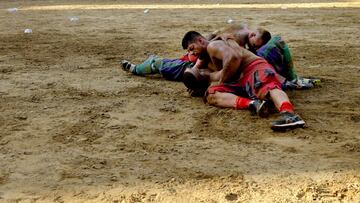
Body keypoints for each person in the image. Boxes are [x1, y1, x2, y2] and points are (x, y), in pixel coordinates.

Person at [181, 31, 305, 131]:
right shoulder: (204, 60)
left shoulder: (213, 46)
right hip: (240, 80)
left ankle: (289, 114)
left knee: (268, 86)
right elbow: (198, 75)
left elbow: (234, 57)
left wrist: (220, 80)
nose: (192, 53)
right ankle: (253, 104)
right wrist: (199, 84)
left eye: (192, 48)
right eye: (189, 51)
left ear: (200, 40)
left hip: (253, 68)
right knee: (211, 95)